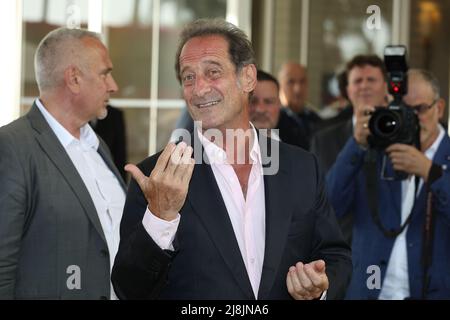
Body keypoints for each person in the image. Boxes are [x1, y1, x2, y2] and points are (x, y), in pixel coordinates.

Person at [112, 18, 351, 300]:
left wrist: (319, 286)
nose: (199, 89)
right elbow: (129, 290)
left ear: (248, 78)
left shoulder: (301, 167)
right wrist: (160, 219)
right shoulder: (156, 177)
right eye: (188, 77)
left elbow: (336, 255)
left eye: (212, 72)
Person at [0, 28, 126, 299]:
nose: (113, 85)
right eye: (105, 73)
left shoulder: (97, 145)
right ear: (74, 78)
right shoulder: (12, 146)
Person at [326, 69, 450, 299]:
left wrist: (430, 172)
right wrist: (357, 145)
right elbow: (329, 205)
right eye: (402, 110)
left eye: (419, 110)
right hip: (370, 290)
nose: (410, 118)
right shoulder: (374, 151)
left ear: (439, 108)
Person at [311, 55, 388, 245]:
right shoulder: (323, 139)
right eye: (357, 80)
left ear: (386, 86)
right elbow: (319, 201)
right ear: (347, 89)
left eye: (371, 80)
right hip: (340, 250)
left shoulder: (403, 135)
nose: (364, 86)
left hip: (388, 245)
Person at [249, 69, 309, 148]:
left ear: (279, 104)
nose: (260, 109)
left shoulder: (296, 145)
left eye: (269, 102)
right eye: (253, 101)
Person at [278, 62, 322, 149]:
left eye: (302, 81)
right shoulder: (272, 120)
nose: (298, 89)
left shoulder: (316, 120)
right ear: (279, 85)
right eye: (291, 82)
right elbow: (271, 160)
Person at [90, 104, 128, 180]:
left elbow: (120, 155)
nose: (113, 91)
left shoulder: (115, 115)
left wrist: (123, 187)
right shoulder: (74, 115)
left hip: (107, 177)